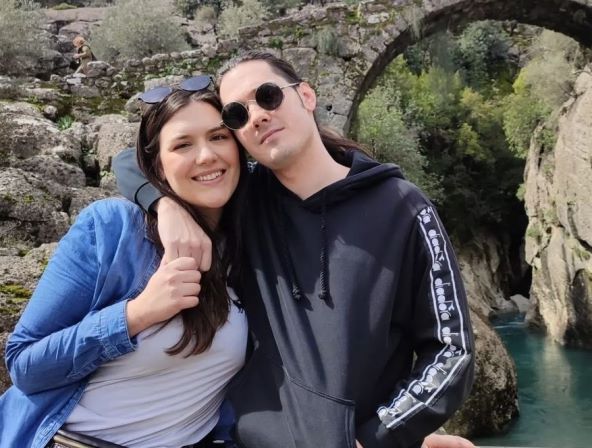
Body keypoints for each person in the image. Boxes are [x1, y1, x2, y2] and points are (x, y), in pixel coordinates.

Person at [114, 51, 476, 448]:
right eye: (237, 114)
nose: (256, 116)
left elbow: (451, 350)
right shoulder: (243, 202)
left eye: (267, 96)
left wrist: (380, 436)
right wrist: (164, 206)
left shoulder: (403, 208)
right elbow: (131, 160)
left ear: (306, 96)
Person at [0, 78, 250, 448]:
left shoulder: (251, 237)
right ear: (158, 166)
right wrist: (136, 314)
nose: (206, 156)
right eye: (183, 144)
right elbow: (24, 365)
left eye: (218, 137)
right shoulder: (113, 227)